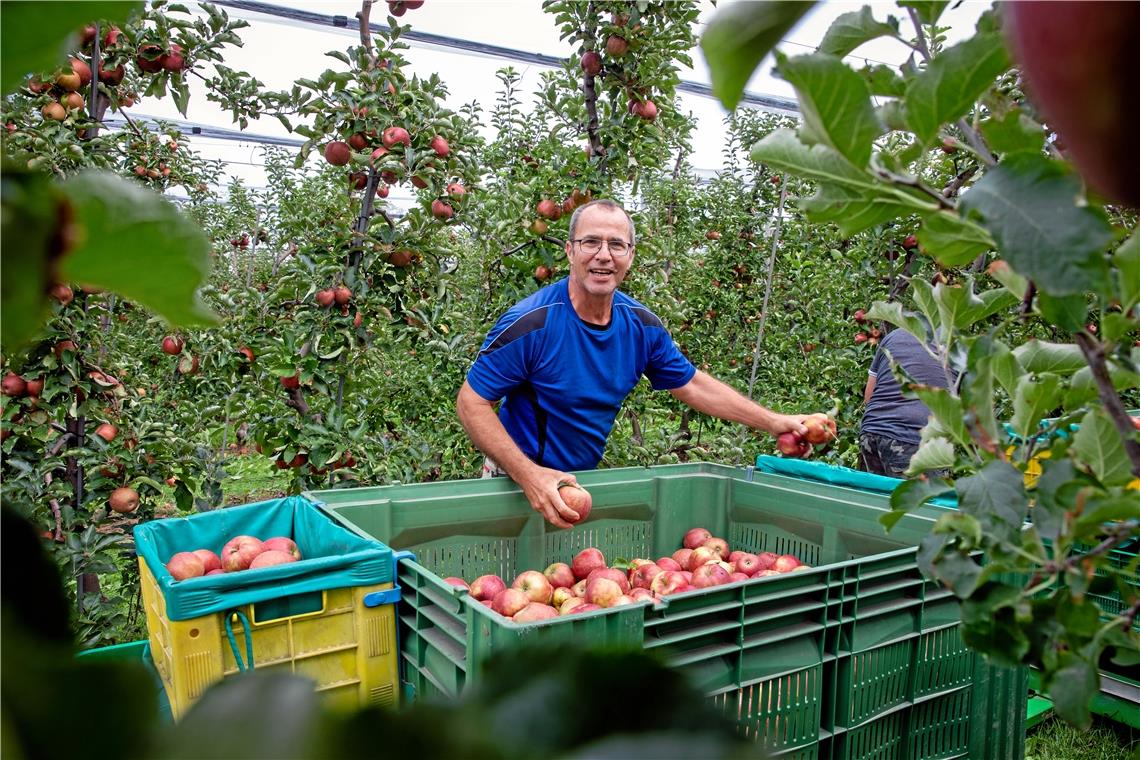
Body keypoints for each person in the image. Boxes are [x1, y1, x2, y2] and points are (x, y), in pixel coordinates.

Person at [456, 198, 822, 528]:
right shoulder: (532, 324)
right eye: (591, 242)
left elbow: (691, 384)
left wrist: (774, 422)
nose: (604, 255)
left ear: (630, 256)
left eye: (617, 245)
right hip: (515, 479)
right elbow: (472, 402)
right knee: (508, 579)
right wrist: (529, 475)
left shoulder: (641, 326)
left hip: (578, 482)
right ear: (569, 251)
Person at [859, 326, 955, 477]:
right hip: (914, 440)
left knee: (873, 498)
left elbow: (868, 397)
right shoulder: (959, 346)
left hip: (872, 432)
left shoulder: (894, 335)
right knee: (922, 500)